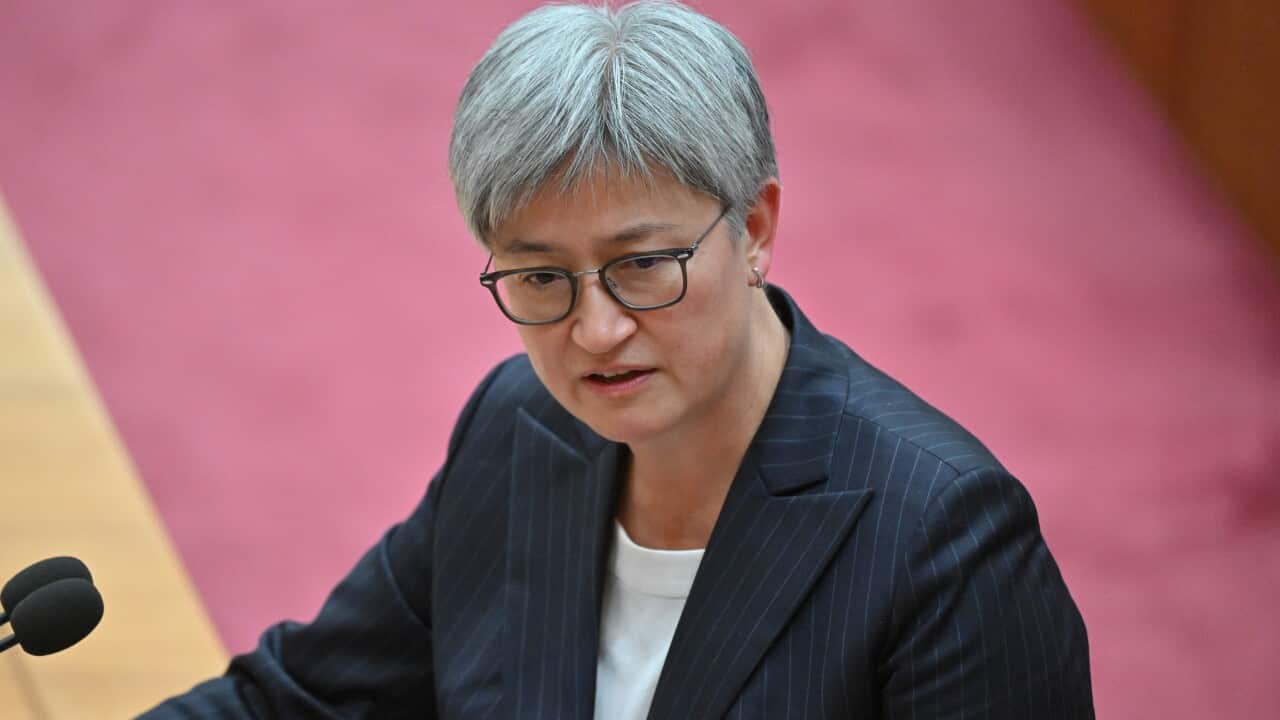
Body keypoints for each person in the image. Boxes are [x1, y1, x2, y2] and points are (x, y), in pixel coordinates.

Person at [142, 1, 1093, 717]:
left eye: (642, 266)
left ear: (754, 228)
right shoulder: (521, 426)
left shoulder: (941, 539)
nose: (594, 331)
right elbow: (297, 704)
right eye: (541, 277)